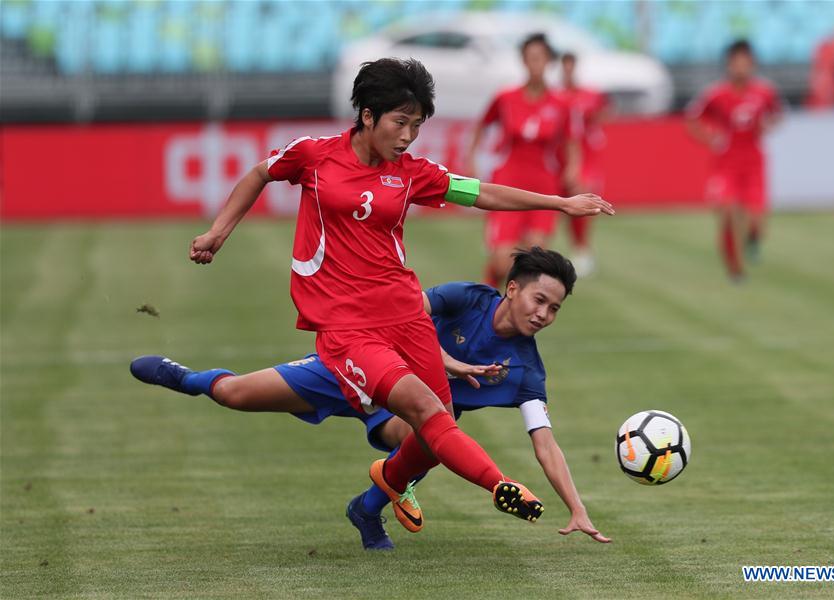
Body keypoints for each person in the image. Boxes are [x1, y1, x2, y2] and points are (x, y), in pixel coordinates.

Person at [186, 58, 614, 534]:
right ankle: (497, 485)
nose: (409, 135)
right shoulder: (314, 154)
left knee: (434, 427)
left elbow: (480, 193)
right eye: (400, 122)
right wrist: (218, 232)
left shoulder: (411, 173)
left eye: (416, 125)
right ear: (367, 115)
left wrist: (558, 202)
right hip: (347, 326)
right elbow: (259, 174)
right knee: (247, 395)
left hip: (406, 316)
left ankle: (380, 491)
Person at [131, 247, 611, 550]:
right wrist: (447, 361)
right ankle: (187, 377)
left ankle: (372, 501)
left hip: (402, 414)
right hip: (357, 362)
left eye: (555, 309)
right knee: (236, 394)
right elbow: (401, 311)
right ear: (511, 289)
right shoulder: (468, 299)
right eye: (539, 300)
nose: (545, 313)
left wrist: (577, 506)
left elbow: (544, 441)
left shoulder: (527, 370)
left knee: (436, 430)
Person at [466, 33, 581, 287]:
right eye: (530, 58)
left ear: (548, 61)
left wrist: (573, 169)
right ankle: (489, 287)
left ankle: (513, 322)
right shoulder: (506, 97)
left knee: (533, 259)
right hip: (508, 181)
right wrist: (472, 159)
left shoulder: (562, 103)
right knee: (502, 261)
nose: (535, 64)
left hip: (543, 184)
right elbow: (481, 126)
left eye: (540, 58)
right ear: (523, 61)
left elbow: (572, 141)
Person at [686, 40, 782, 282]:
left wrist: (768, 126)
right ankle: (735, 270)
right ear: (729, 65)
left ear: (752, 65)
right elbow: (693, 119)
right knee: (727, 211)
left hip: (754, 162)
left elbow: (777, 114)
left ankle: (753, 238)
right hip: (726, 162)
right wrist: (710, 138)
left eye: (745, 63)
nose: (740, 68)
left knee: (756, 220)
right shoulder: (717, 94)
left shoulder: (764, 92)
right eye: (735, 63)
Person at [558, 52, 614, 276]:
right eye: (565, 66)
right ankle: (577, 248)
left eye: (571, 66)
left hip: (586, 157)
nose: (568, 70)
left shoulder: (591, 95)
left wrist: (594, 131)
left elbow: (605, 111)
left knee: (584, 198)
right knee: (565, 206)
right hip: (563, 156)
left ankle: (583, 249)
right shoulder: (558, 96)